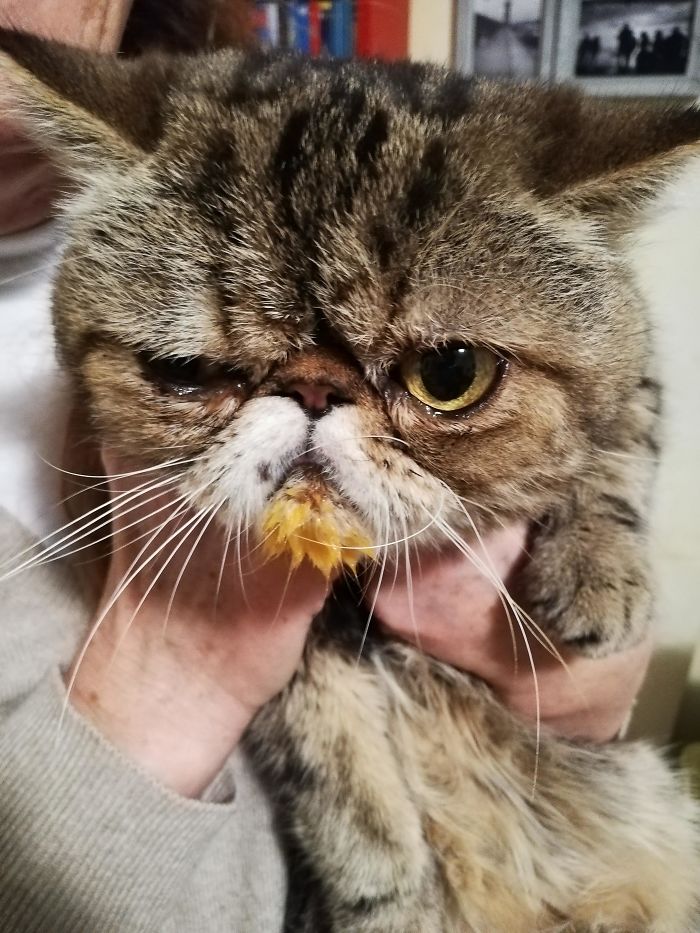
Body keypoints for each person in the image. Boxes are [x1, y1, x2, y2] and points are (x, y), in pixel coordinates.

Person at [0, 2, 654, 929]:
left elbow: (614, 385)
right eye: (193, 368)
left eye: (445, 374)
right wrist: (181, 661)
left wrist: (582, 638)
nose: (317, 420)